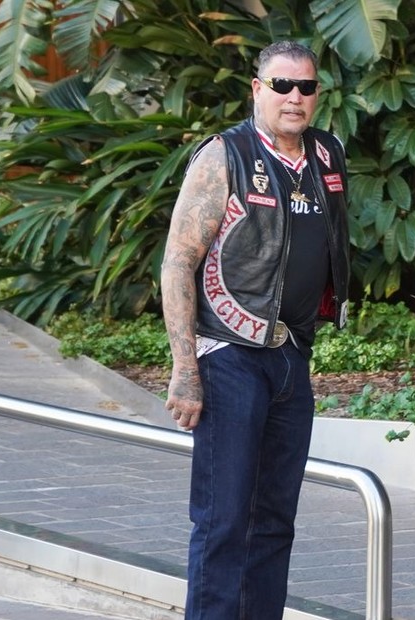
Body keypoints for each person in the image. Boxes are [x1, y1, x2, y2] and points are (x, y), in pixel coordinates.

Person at [160, 40, 350, 619]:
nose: (294, 97)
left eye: (306, 87)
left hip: (292, 355)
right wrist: (185, 368)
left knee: (274, 522)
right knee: (223, 521)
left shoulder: (327, 154)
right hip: (230, 355)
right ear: (257, 89)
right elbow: (178, 262)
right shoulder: (226, 155)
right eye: (281, 85)